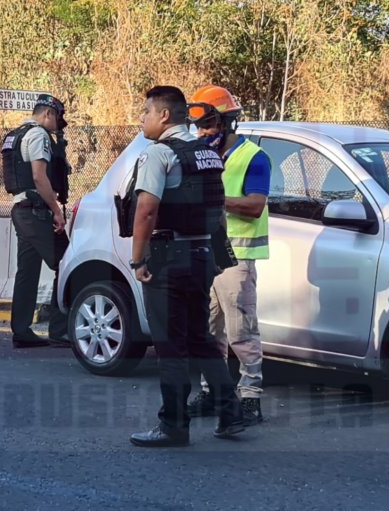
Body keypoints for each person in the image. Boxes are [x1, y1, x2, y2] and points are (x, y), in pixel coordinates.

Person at [127, 85, 245, 447]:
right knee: (202, 340)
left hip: (168, 258)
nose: (142, 118)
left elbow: (147, 209)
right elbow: (216, 207)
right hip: (201, 256)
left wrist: (137, 258)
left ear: (164, 115)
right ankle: (231, 414)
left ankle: (173, 425)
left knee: (171, 345)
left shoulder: (159, 154)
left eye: (146, 111)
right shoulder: (206, 153)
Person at [185, 85, 271, 426]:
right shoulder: (204, 153)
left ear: (226, 122)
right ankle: (211, 391)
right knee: (209, 330)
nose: (203, 132)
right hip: (206, 252)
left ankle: (250, 396)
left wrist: (213, 200)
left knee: (242, 331)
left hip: (237, 256)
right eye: (199, 126)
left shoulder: (254, 157)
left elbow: (255, 205)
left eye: (208, 125)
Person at [2, 94, 71, 348]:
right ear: (48, 114)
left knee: (27, 271)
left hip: (21, 210)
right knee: (66, 264)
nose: (58, 125)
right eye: (57, 119)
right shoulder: (38, 135)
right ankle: (60, 329)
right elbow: (39, 177)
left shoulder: (15, 134)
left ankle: (21, 330)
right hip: (37, 211)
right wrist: (56, 210)